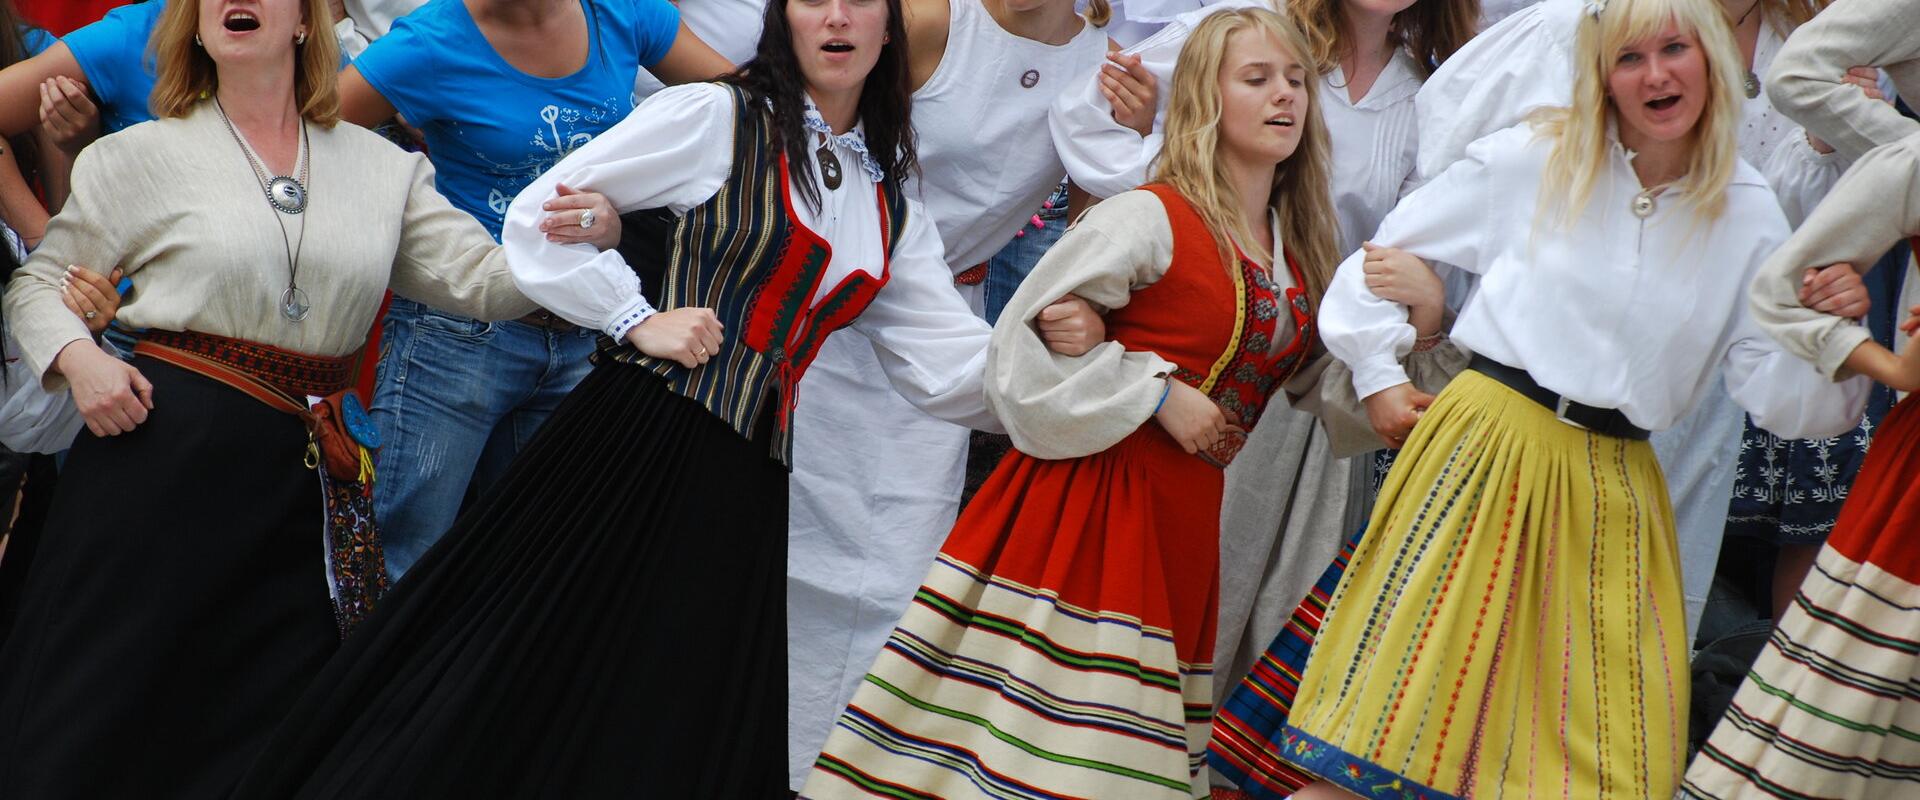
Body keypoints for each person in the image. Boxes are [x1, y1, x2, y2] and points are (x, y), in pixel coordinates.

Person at [227, 0, 1006, 794]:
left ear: (890, 28)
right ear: (783, 20)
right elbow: (543, 211)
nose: (836, 17)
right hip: (641, 437)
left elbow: (947, 362)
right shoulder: (719, 115)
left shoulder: (884, 198)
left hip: (748, 482)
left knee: (663, 693)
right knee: (529, 649)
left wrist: (1091, 383)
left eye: (860, 2)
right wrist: (635, 318)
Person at [1270, 0, 1869, 795]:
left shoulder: (1750, 212)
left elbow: (1786, 402)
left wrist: (1834, 342)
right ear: (1602, 76)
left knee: (1591, 766)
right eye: (1629, 58)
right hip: (1485, 456)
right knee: (1387, 744)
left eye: (1674, 49)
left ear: (1713, 62)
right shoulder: (1535, 158)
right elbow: (1379, 263)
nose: (1655, 73)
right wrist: (1379, 377)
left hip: (1616, 491)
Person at [0, 0, 544, 795]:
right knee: (107, 699)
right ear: (191, 24)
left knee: (269, 713)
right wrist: (82, 360)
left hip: (305, 485)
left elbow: (488, 283)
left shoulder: (384, 168)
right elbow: (42, 282)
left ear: (305, 22)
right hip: (160, 458)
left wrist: (580, 235)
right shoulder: (135, 157)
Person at [803, 8, 1340, 797]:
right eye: (1256, 79)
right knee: (1053, 752)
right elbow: (1019, 347)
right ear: (1205, 99)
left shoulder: (1296, 254)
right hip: (1091, 510)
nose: (1284, 96)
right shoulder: (1149, 214)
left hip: (1184, 524)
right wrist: (1154, 392)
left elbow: (1308, 375)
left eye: (1296, 80)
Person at [783, 0, 1109, 786]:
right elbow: (812, 123)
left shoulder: (1105, 57)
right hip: (827, 303)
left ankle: (836, 769)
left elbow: (1091, 220)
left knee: (896, 565)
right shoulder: (934, 20)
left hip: (941, 329)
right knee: (783, 535)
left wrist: (1083, 307)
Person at [339, 0, 731, 579]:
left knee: (539, 571)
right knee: (397, 562)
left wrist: (632, 218)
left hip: (586, 332)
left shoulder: (621, 13)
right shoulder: (429, 41)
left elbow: (749, 109)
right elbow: (304, 136)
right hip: (456, 338)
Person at [1682, 131, 1920, 800]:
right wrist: (1889, 364)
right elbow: (1783, 289)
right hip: (1911, 481)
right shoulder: (1911, 159)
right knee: (1854, 715)